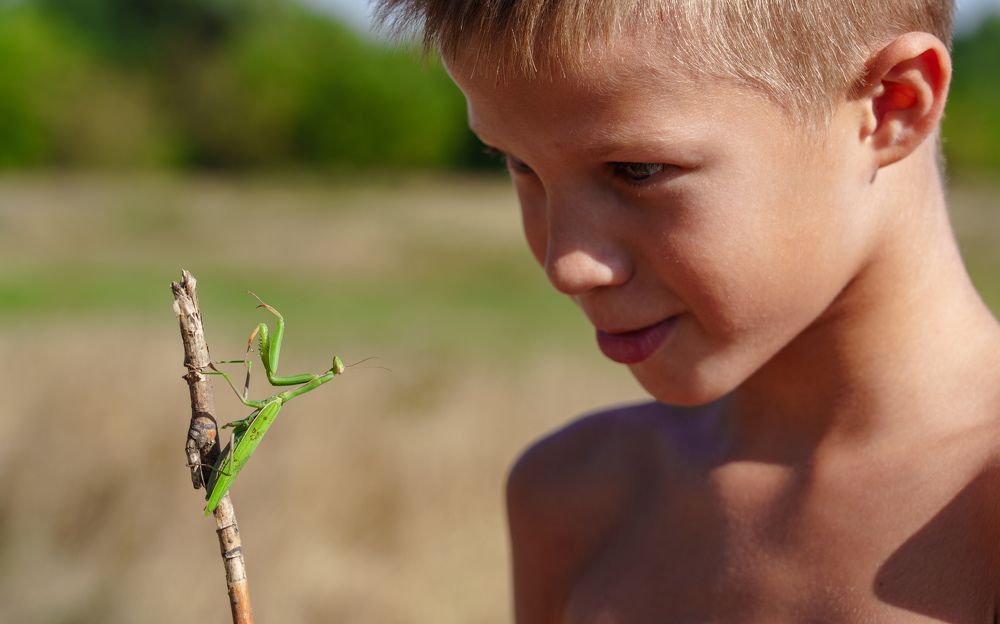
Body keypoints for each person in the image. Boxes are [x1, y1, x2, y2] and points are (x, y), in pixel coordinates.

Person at [376, 1, 1000, 621]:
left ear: (893, 104)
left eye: (637, 170)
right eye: (517, 163)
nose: (566, 265)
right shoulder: (573, 497)